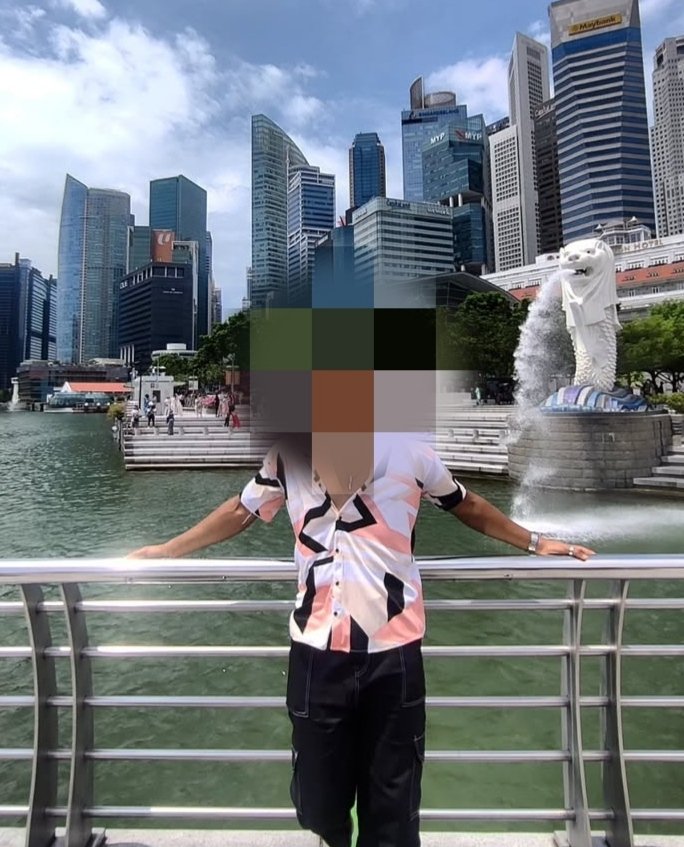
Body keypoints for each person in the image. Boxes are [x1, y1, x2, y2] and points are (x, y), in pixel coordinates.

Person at [128, 432, 595, 847]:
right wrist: (167, 551)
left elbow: (465, 504)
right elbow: (241, 510)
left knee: (394, 805)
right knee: (318, 800)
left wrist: (535, 542)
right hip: (316, 652)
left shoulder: (409, 454)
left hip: (393, 654)